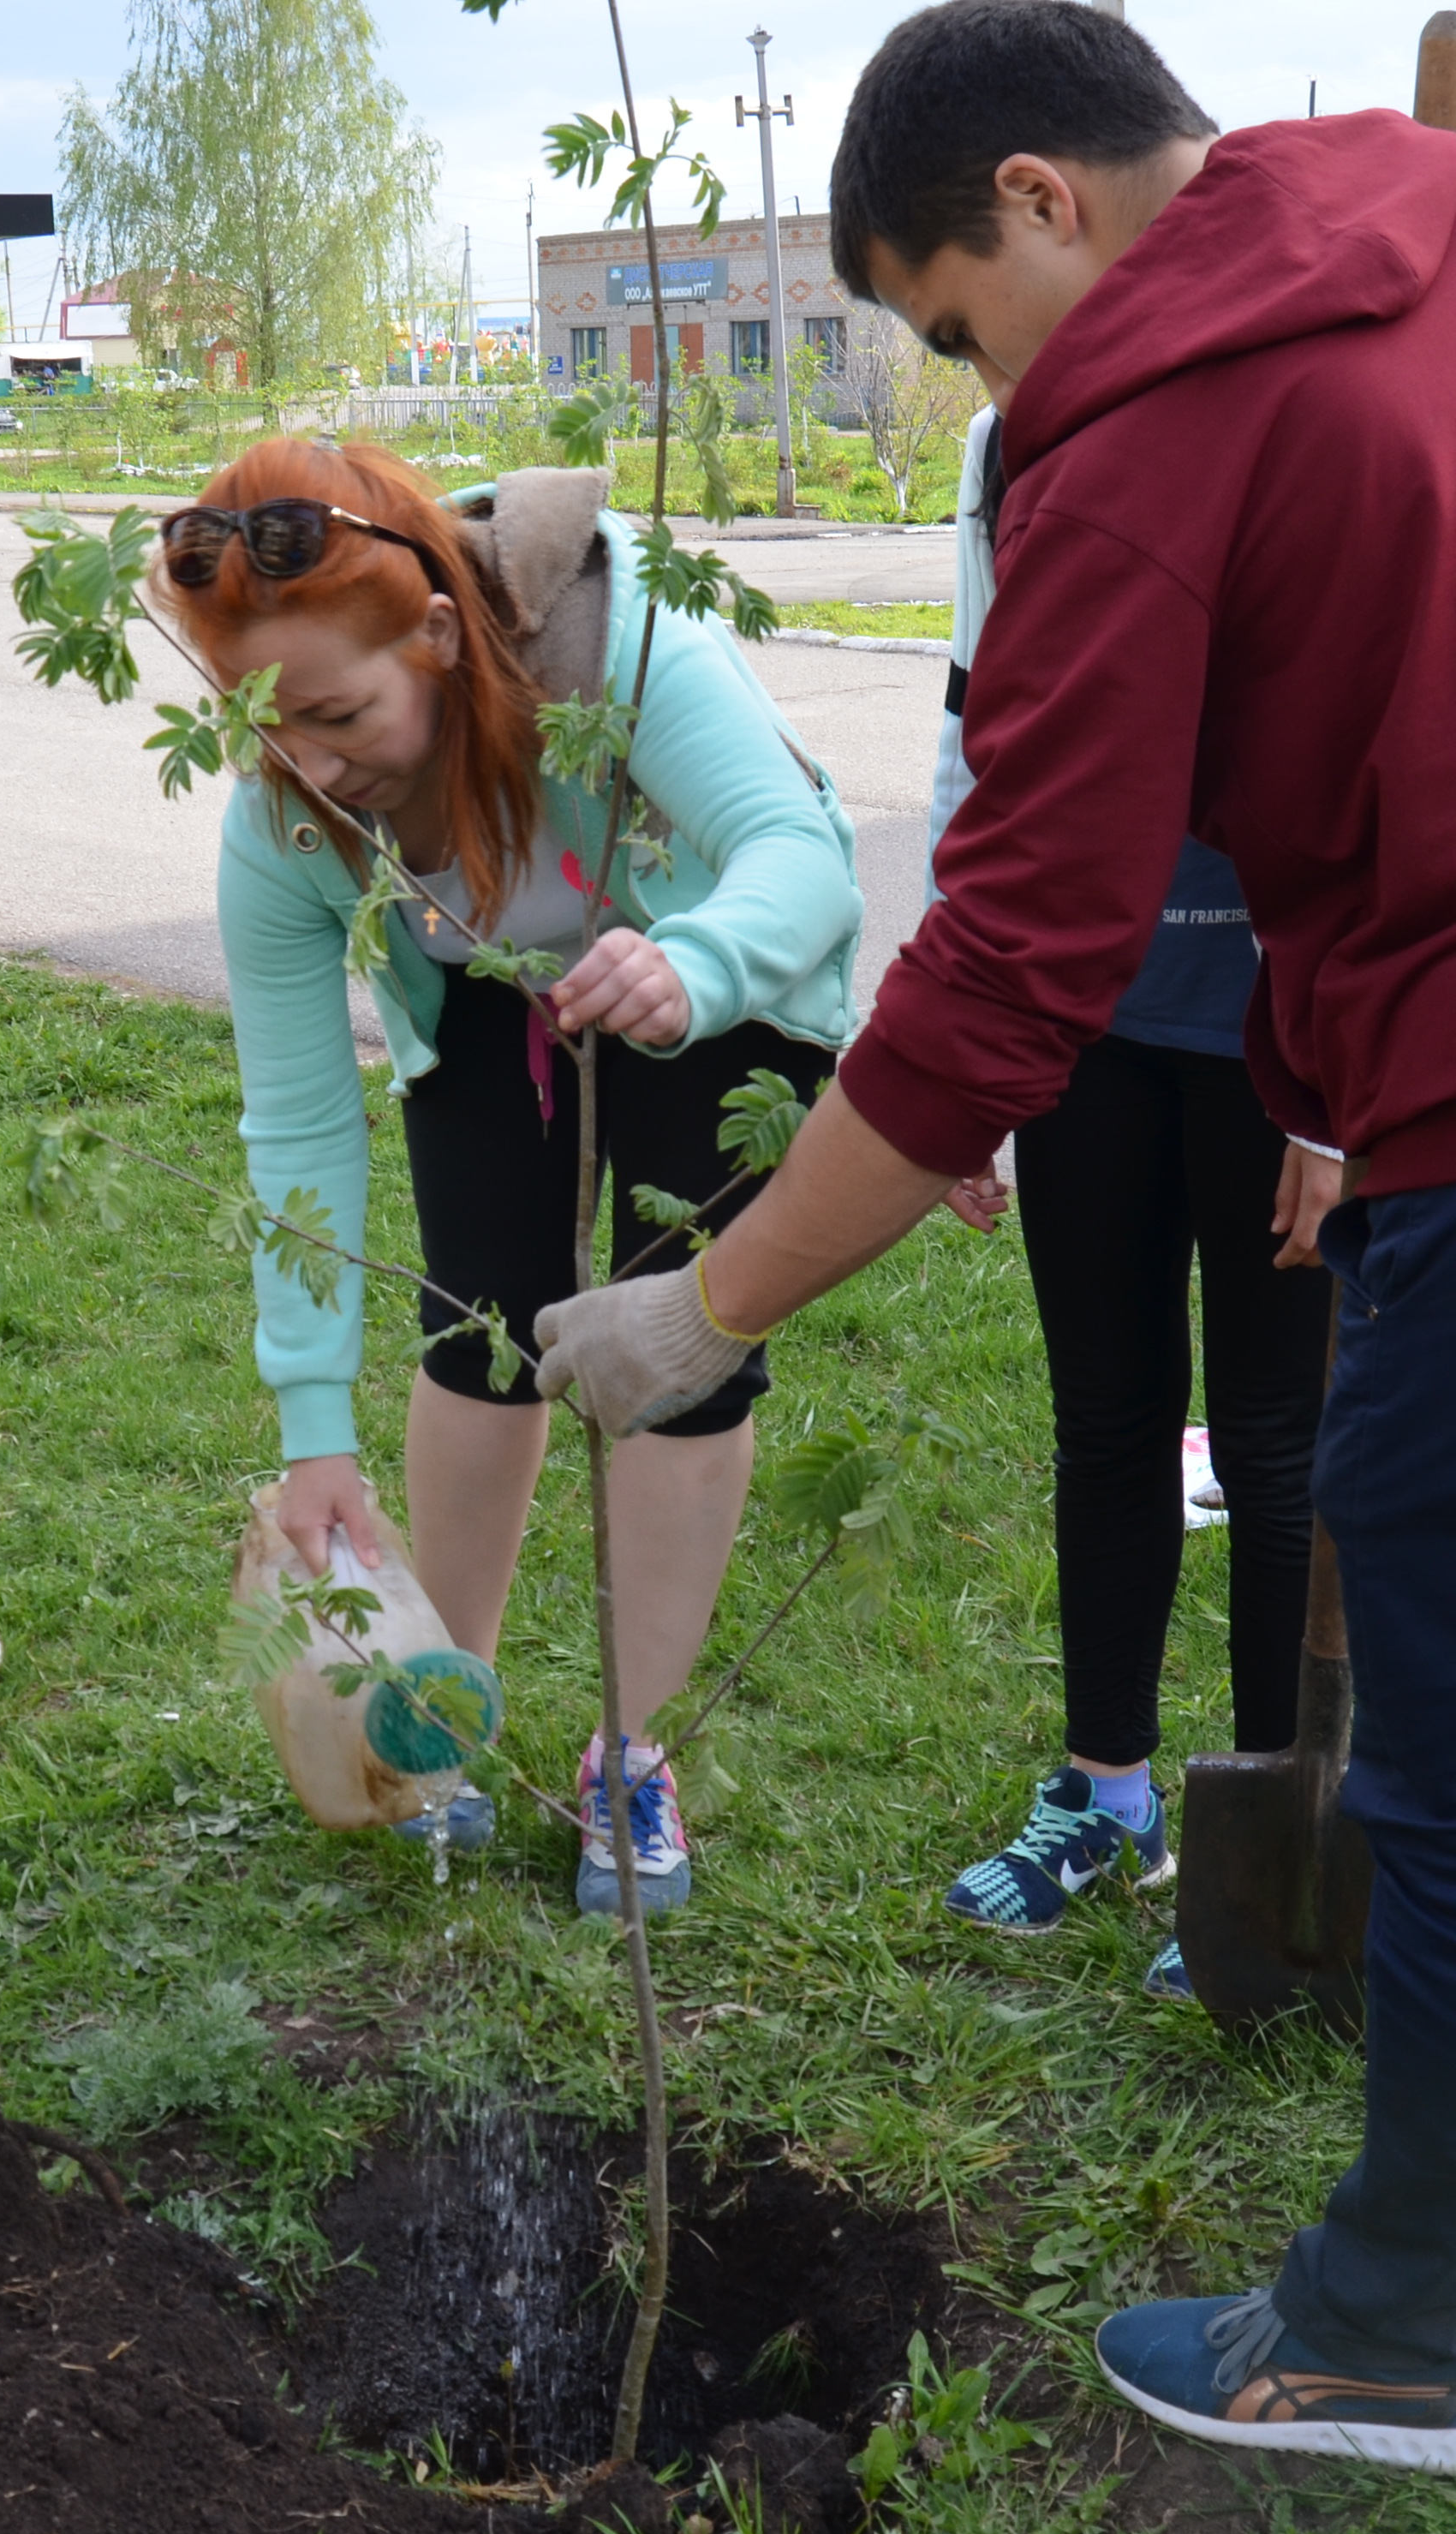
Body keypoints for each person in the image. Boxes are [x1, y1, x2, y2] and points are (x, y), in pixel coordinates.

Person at [536, 0, 1456, 2534]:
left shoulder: (1132, 431)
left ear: (1039, 202)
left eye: (944, 325)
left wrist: (713, 1307)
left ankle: (1391, 2337)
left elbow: (1014, 962)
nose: (966, 388)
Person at [155, 440, 859, 1918]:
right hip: (482, 978)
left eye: (340, 714)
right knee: (480, 1327)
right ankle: (441, 1704)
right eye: (268, 730)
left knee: (677, 1352)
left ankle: (630, 1748)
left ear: (435, 632)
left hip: (706, 957)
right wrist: (309, 1435)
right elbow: (293, 1127)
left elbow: (798, 856)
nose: (314, 766)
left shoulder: (621, 644)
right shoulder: (283, 819)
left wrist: (695, 962)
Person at [919, 401, 1323, 1984]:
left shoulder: (1272, 435)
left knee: (1275, 1436)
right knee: (1107, 1417)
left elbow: (1361, 777)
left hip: (1276, 1044)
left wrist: (1337, 1098)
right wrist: (961, 1054)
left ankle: (1269, 1826)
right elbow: (973, 732)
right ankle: (1107, 1796)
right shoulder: (1004, 439)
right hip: (1089, 1015)